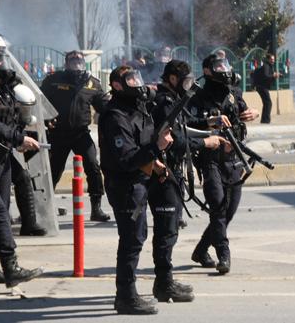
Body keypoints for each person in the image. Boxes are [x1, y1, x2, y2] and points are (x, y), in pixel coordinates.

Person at [98, 66, 179, 314]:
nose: (137, 83)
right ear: (117, 85)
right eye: (130, 80)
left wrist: (155, 164)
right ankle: (125, 296)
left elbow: (140, 146)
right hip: (124, 185)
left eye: (137, 78)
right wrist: (157, 147)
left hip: (140, 180)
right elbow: (127, 158)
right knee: (132, 239)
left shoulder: (136, 109)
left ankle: (151, 286)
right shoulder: (115, 116)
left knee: (148, 230)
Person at [148, 60, 229, 300]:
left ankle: (165, 281)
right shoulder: (164, 103)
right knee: (166, 232)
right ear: (172, 79)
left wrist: (207, 123)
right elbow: (176, 141)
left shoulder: (172, 100)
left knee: (169, 230)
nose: (188, 85)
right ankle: (164, 284)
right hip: (163, 174)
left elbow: (183, 124)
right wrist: (205, 142)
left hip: (169, 173)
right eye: (184, 81)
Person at [189, 55, 259, 274]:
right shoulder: (197, 96)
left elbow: (243, 113)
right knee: (218, 207)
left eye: (225, 65)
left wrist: (252, 113)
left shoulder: (234, 92)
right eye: (218, 66)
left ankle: (201, 249)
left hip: (234, 158)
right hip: (210, 159)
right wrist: (210, 122)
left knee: (229, 210)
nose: (224, 69)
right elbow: (188, 123)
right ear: (207, 70)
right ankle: (223, 254)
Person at [0, 34, 43, 288]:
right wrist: (17, 138)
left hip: (0, 157)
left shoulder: (6, 88)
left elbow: (15, 116)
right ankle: (11, 267)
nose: (2, 61)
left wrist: (19, 137)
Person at [40, 51, 111, 222]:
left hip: (80, 133)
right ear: (66, 63)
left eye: (79, 60)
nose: (76, 63)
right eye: (72, 60)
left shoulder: (92, 83)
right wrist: (46, 120)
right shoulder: (53, 80)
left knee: (93, 166)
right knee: (53, 171)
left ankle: (96, 207)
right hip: (57, 133)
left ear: (84, 62)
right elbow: (40, 101)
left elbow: (104, 107)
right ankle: (44, 209)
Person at [253, 53, 279, 124]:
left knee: (267, 103)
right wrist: (274, 76)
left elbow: (268, 76)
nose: (273, 61)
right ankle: (266, 120)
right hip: (262, 87)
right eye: (271, 59)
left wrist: (274, 76)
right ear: (268, 59)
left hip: (263, 87)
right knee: (268, 103)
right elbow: (266, 76)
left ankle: (264, 120)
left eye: (273, 59)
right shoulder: (266, 66)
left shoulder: (269, 66)